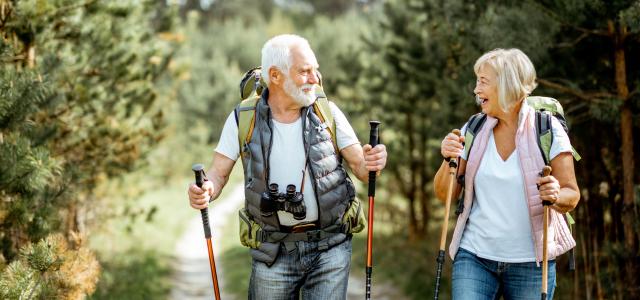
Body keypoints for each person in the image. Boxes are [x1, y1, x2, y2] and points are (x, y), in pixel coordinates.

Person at [187, 34, 387, 300]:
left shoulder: (328, 112)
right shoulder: (243, 118)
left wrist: (373, 162)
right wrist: (206, 190)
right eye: (304, 72)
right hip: (273, 250)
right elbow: (217, 174)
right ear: (276, 76)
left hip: (331, 246)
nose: (315, 79)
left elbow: (362, 169)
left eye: (315, 70)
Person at [433, 48, 580, 299]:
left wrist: (555, 195)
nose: (476, 90)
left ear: (507, 85)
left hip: (531, 264)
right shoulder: (474, 128)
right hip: (475, 256)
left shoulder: (547, 129)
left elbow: (571, 194)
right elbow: (445, 194)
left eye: (483, 82)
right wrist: (448, 159)